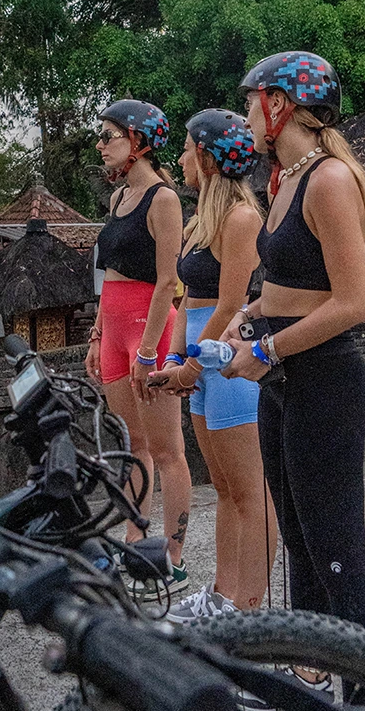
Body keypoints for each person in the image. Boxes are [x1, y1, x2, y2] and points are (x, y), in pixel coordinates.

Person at [219, 51, 365, 711]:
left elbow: (355, 302)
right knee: (299, 542)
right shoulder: (284, 180)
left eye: (255, 100)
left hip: (323, 381)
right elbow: (288, 283)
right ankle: (312, 681)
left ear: (282, 105)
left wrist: (268, 348)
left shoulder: (327, 180)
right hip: (284, 379)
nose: (249, 114)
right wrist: (246, 323)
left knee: (338, 556)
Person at [151, 109, 278, 624]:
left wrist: (194, 366)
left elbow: (229, 306)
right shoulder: (198, 221)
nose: (180, 158)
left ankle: (249, 609)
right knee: (224, 489)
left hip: (226, 364)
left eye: (185, 148)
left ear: (205, 155)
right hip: (201, 362)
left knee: (252, 493)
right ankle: (224, 595)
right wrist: (176, 359)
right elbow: (187, 300)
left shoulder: (242, 219)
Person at [84, 99, 192, 593]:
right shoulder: (117, 200)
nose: (101, 145)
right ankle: (134, 542)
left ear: (138, 142)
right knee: (133, 448)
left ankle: (173, 552)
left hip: (152, 328)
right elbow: (109, 275)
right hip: (115, 326)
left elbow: (170, 279)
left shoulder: (162, 199)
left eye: (109, 136)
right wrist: (98, 334)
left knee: (168, 449)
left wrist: (149, 350)